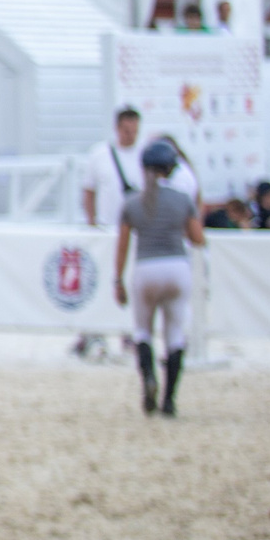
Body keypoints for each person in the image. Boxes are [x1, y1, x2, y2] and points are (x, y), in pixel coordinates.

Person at [114, 139, 205, 417]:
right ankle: (170, 399)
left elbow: (123, 245)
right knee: (175, 334)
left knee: (143, 331)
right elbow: (198, 238)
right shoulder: (182, 200)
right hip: (176, 266)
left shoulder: (133, 202)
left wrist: (117, 279)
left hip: (146, 268)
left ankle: (148, 382)